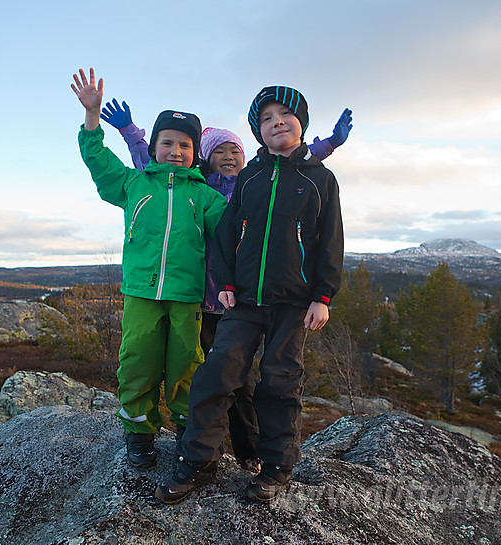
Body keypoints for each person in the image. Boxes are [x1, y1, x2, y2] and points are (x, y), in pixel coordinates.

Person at [99, 100, 353, 475]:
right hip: (202, 299)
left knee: (244, 385)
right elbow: (150, 162)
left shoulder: (251, 182)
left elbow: (291, 162)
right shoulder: (199, 187)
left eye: (234, 149)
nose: (230, 156)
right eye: (219, 151)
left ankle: (249, 451)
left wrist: (326, 145)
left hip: (243, 298)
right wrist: (129, 131)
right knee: (205, 375)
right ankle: (191, 444)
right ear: (206, 158)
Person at [155, 85, 344, 504]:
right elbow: (224, 236)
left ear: (302, 123)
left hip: (294, 303)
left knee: (280, 381)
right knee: (217, 373)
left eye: (285, 115)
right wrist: (223, 283)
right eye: (266, 118)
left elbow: (331, 241)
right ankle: (198, 460)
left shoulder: (320, 180)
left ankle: (276, 467)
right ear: (258, 131)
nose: (277, 122)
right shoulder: (249, 178)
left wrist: (323, 296)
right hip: (242, 301)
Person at [71, 68, 227, 469]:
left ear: (196, 153)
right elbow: (100, 163)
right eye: (167, 143)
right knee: (137, 360)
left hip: (185, 294)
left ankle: (184, 431)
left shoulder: (204, 195)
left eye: (185, 145)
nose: (176, 151)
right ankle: (139, 433)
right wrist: (92, 117)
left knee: (184, 364)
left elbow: (231, 231)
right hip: (141, 291)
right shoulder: (134, 184)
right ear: (154, 146)